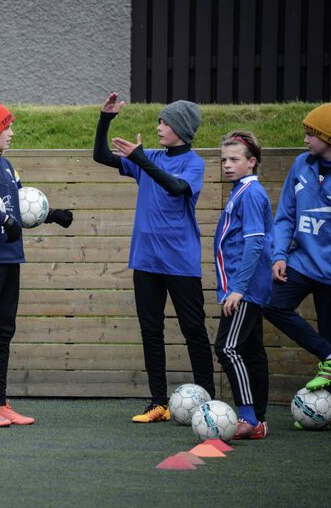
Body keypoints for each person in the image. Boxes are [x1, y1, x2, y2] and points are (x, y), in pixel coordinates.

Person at [93, 92, 216, 423]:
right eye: (160, 120)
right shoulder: (150, 158)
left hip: (180, 262)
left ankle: (209, 402)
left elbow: (176, 188)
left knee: (194, 330)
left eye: (166, 122)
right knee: (151, 330)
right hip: (145, 261)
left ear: (181, 129)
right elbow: (101, 156)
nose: (160, 126)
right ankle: (158, 402)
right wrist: (105, 119)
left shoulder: (194, 163)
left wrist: (142, 159)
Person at [0, 101, 73, 427]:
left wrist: (52, 215)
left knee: (4, 331)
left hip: (10, 258)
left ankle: (0, 401)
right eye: (6, 127)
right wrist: (2, 219)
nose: (11, 132)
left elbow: (20, 208)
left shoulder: (6, 166)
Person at [263, 103, 331, 430]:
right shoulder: (301, 164)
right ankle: (329, 358)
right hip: (300, 262)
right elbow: (286, 214)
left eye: (310, 134)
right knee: (272, 304)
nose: (304, 138)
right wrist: (278, 255)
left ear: (328, 138)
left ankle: (326, 411)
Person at [213, 131, 273, 440]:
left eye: (234, 159)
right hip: (244, 286)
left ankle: (248, 416)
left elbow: (253, 246)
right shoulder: (241, 191)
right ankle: (259, 421)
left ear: (252, 162)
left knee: (227, 347)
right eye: (223, 159)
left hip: (244, 288)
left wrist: (237, 288)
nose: (227, 165)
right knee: (252, 351)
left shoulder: (251, 194)